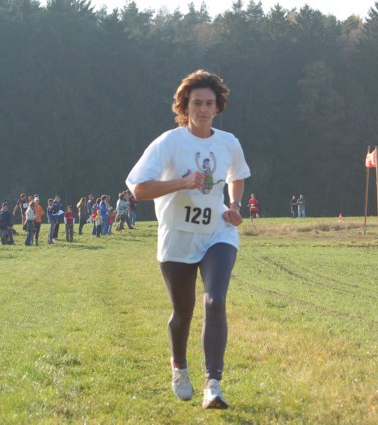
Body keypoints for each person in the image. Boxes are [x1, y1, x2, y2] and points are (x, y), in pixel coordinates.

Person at [126, 69, 250, 409]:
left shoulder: (229, 143)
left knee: (215, 301)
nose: (204, 109)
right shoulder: (169, 143)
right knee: (183, 311)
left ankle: (213, 384)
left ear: (218, 106)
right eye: (197, 103)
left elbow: (237, 175)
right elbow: (139, 189)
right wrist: (180, 183)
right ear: (184, 106)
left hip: (217, 233)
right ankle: (179, 366)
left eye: (210, 103)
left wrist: (235, 206)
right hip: (177, 238)